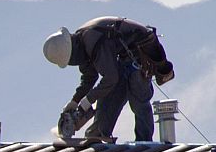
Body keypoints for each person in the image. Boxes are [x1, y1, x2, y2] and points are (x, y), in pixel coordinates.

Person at [43, 17, 175, 143]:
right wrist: (75, 101)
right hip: (123, 59)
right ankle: (97, 135)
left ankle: (145, 142)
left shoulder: (92, 40)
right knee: (107, 102)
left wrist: (87, 101)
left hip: (140, 53)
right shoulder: (82, 45)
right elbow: (89, 78)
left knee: (137, 96)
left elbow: (110, 78)